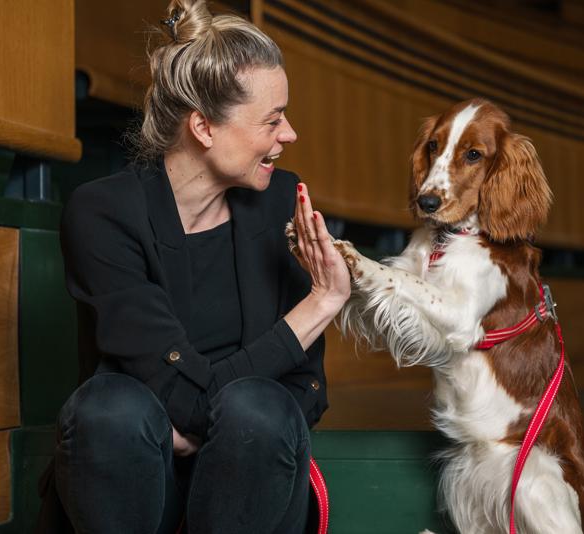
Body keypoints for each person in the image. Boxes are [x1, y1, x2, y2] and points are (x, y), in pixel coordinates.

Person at [38, 1, 351, 532]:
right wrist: (320, 304)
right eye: (273, 119)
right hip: (134, 483)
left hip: (252, 485)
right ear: (204, 127)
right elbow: (181, 396)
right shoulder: (102, 213)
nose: (289, 134)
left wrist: (209, 426)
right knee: (111, 408)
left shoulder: (281, 201)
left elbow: (305, 388)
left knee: (259, 410)